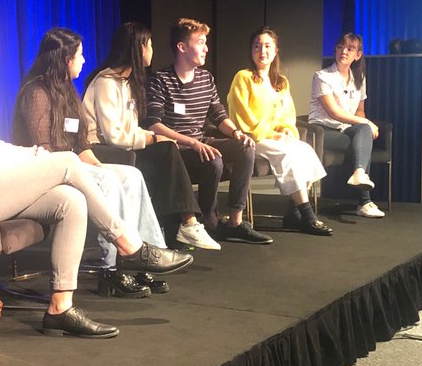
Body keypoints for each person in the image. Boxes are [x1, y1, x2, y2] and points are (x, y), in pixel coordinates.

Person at [0, 10, 191, 339]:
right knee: (66, 162)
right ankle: (131, 246)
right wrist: (31, 168)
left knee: (69, 201)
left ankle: (59, 308)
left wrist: (29, 156)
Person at [12, 28, 177, 297]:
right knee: (108, 181)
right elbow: (45, 149)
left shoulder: (67, 91)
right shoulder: (37, 93)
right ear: (66, 59)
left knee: (130, 175)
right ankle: (112, 269)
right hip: (46, 172)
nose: (84, 60)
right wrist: (95, 173)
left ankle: (145, 253)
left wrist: (99, 167)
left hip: (72, 164)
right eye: (80, 54)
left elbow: (80, 145)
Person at [82, 22, 220, 251]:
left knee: (168, 148)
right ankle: (186, 223)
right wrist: (153, 139)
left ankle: (177, 227)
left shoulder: (126, 84)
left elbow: (131, 128)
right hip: (100, 150)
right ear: (138, 48)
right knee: (164, 151)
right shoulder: (106, 82)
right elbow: (114, 136)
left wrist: (155, 138)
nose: (152, 50)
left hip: (121, 148)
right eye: (150, 44)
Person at [143, 18, 273, 244]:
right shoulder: (160, 80)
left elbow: (218, 115)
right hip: (176, 148)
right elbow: (154, 124)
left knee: (245, 148)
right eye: (201, 42)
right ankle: (208, 221)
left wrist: (236, 133)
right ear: (182, 47)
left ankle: (235, 221)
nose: (206, 48)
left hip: (201, 140)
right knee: (213, 160)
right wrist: (192, 143)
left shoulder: (205, 78)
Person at [226, 28, 332, 236]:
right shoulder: (243, 77)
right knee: (286, 153)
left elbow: (287, 115)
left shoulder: (281, 82)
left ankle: (293, 213)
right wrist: (270, 134)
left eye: (267, 46)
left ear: (275, 51)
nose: (261, 51)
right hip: (251, 138)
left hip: (274, 138)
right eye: (257, 46)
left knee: (304, 150)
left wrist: (286, 131)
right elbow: (241, 114)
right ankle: (307, 215)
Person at [309, 32, 385, 218]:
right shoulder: (322, 76)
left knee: (363, 133)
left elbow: (359, 112)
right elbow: (334, 113)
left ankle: (360, 176)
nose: (344, 51)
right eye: (340, 47)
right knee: (363, 136)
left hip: (345, 129)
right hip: (321, 130)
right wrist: (366, 123)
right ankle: (365, 201)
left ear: (358, 55)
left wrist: (364, 124)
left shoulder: (359, 79)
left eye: (349, 49)